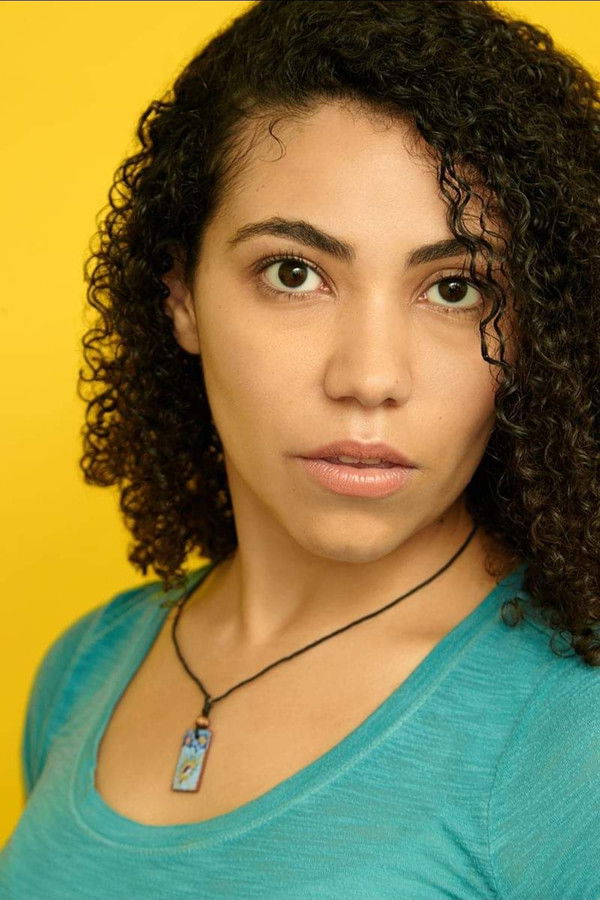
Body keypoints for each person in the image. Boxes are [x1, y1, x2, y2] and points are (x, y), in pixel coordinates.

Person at [2, 0, 599, 897]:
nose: (370, 376)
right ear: (181, 296)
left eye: (455, 289)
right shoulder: (87, 667)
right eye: (295, 273)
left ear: (531, 331)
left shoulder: (573, 735)